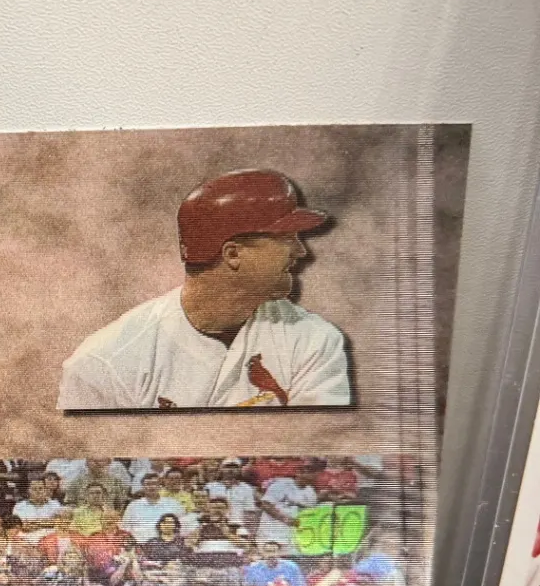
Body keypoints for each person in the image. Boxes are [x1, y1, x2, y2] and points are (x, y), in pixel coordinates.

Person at [58, 169, 350, 410]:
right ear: (233, 254)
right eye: (286, 238)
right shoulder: (104, 364)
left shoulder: (314, 340)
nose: (301, 251)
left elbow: (314, 443)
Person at [255, 460, 321, 550]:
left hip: (293, 539)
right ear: (298, 472)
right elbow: (265, 504)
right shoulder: (281, 484)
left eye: (313, 472)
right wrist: (285, 519)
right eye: (307, 471)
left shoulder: (311, 492)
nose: (311, 475)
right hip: (271, 535)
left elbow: (309, 514)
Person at [121, 472, 185, 544]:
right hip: (139, 546)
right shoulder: (132, 506)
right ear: (143, 487)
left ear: (160, 486)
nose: (151, 487)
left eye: (154, 484)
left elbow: (182, 526)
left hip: (167, 546)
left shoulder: (173, 504)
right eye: (148, 484)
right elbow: (124, 530)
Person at [242, 541, 307, 586]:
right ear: (263, 553)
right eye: (268, 551)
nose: (271, 555)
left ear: (279, 553)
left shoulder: (291, 566)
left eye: (274, 551)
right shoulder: (254, 567)